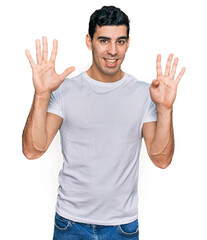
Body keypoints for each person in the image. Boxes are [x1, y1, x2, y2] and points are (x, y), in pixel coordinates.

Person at [22, 5, 186, 240]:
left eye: (120, 41)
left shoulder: (144, 94)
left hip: (122, 227)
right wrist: (41, 95)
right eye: (104, 41)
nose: (112, 50)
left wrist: (166, 108)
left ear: (128, 43)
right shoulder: (65, 90)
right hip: (70, 224)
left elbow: (161, 160)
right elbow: (32, 150)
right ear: (89, 41)